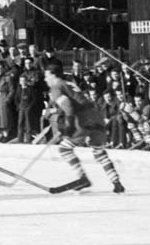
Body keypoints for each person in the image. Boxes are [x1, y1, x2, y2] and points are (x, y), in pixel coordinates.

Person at [43, 60, 127, 192]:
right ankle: (116, 183)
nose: (45, 79)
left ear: (53, 75)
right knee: (99, 151)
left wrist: (70, 125)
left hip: (83, 119)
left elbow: (68, 107)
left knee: (64, 149)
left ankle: (82, 178)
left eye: (47, 75)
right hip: (96, 116)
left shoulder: (56, 87)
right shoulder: (69, 83)